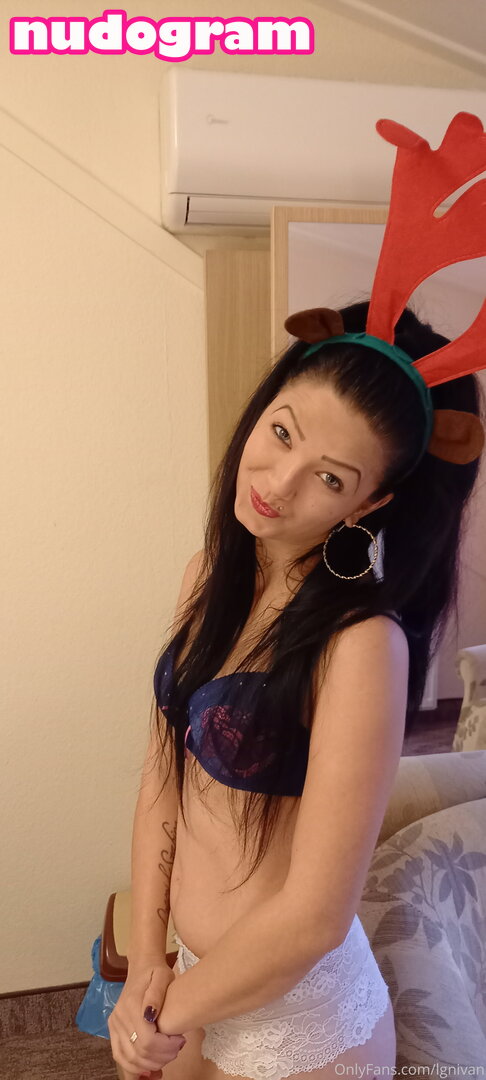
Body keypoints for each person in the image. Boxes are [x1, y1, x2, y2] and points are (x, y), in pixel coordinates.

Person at [108, 113, 486, 1078]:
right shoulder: (209, 575)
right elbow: (161, 781)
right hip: (191, 981)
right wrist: (145, 962)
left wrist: (160, 1014)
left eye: (330, 476)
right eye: (281, 432)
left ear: (372, 502)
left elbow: (316, 915)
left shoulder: (361, 645)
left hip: (301, 1027)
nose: (278, 482)